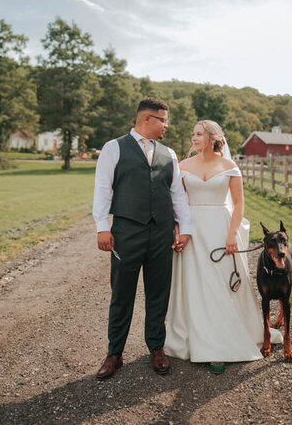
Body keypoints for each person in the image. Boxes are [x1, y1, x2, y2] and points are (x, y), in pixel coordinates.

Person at [164, 120, 281, 373]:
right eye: (193, 134)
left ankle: (223, 341)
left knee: (221, 283)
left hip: (221, 229)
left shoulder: (229, 166)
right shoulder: (183, 166)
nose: (193, 138)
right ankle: (199, 339)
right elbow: (178, 203)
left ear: (212, 138)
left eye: (199, 134)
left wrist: (231, 235)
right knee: (196, 284)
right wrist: (179, 231)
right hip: (193, 230)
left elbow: (238, 204)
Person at [92, 97, 193, 380]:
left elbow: (177, 194)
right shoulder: (114, 148)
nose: (166, 126)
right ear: (146, 119)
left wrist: (184, 227)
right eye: (163, 120)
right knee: (121, 294)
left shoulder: (169, 153)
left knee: (159, 293)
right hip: (126, 231)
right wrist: (103, 226)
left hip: (161, 232)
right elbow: (102, 188)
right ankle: (114, 354)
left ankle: (156, 349)